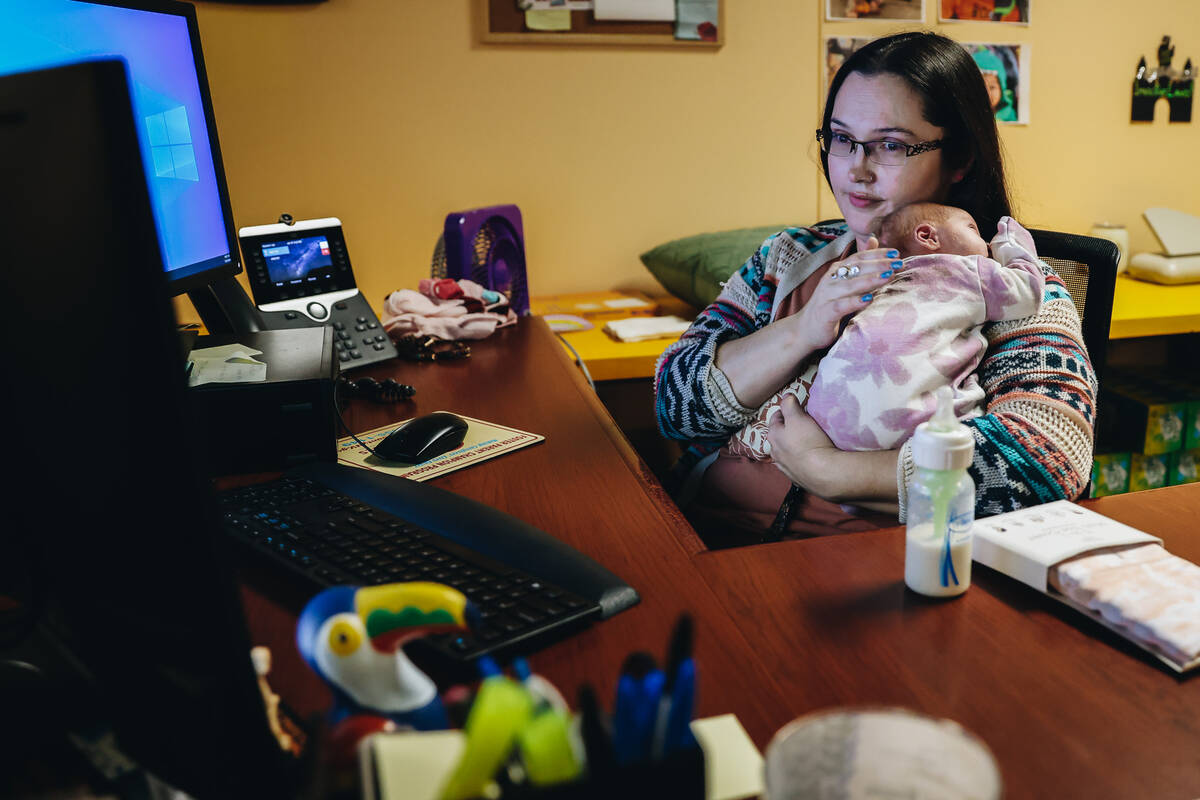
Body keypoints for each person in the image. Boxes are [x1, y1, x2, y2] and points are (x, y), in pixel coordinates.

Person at [654, 31, 1096, 541]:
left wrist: (828, 471)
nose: (856, 170)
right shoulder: (787, 257)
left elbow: (1048, 460)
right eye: (841, 139)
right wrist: (801, 329)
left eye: (889, 145)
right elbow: (673, 407)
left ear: (960, 159)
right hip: (701, 538)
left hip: (870, 570)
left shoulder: (1013, 285)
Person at [727, 203, 1044, 459]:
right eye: (973, 230)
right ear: (927, 235)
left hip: (831, 422)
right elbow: (1028, 289)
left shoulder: (876, 281)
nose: (985, 244)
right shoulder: (969, 271)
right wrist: (1011, 242)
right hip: (913, 431)